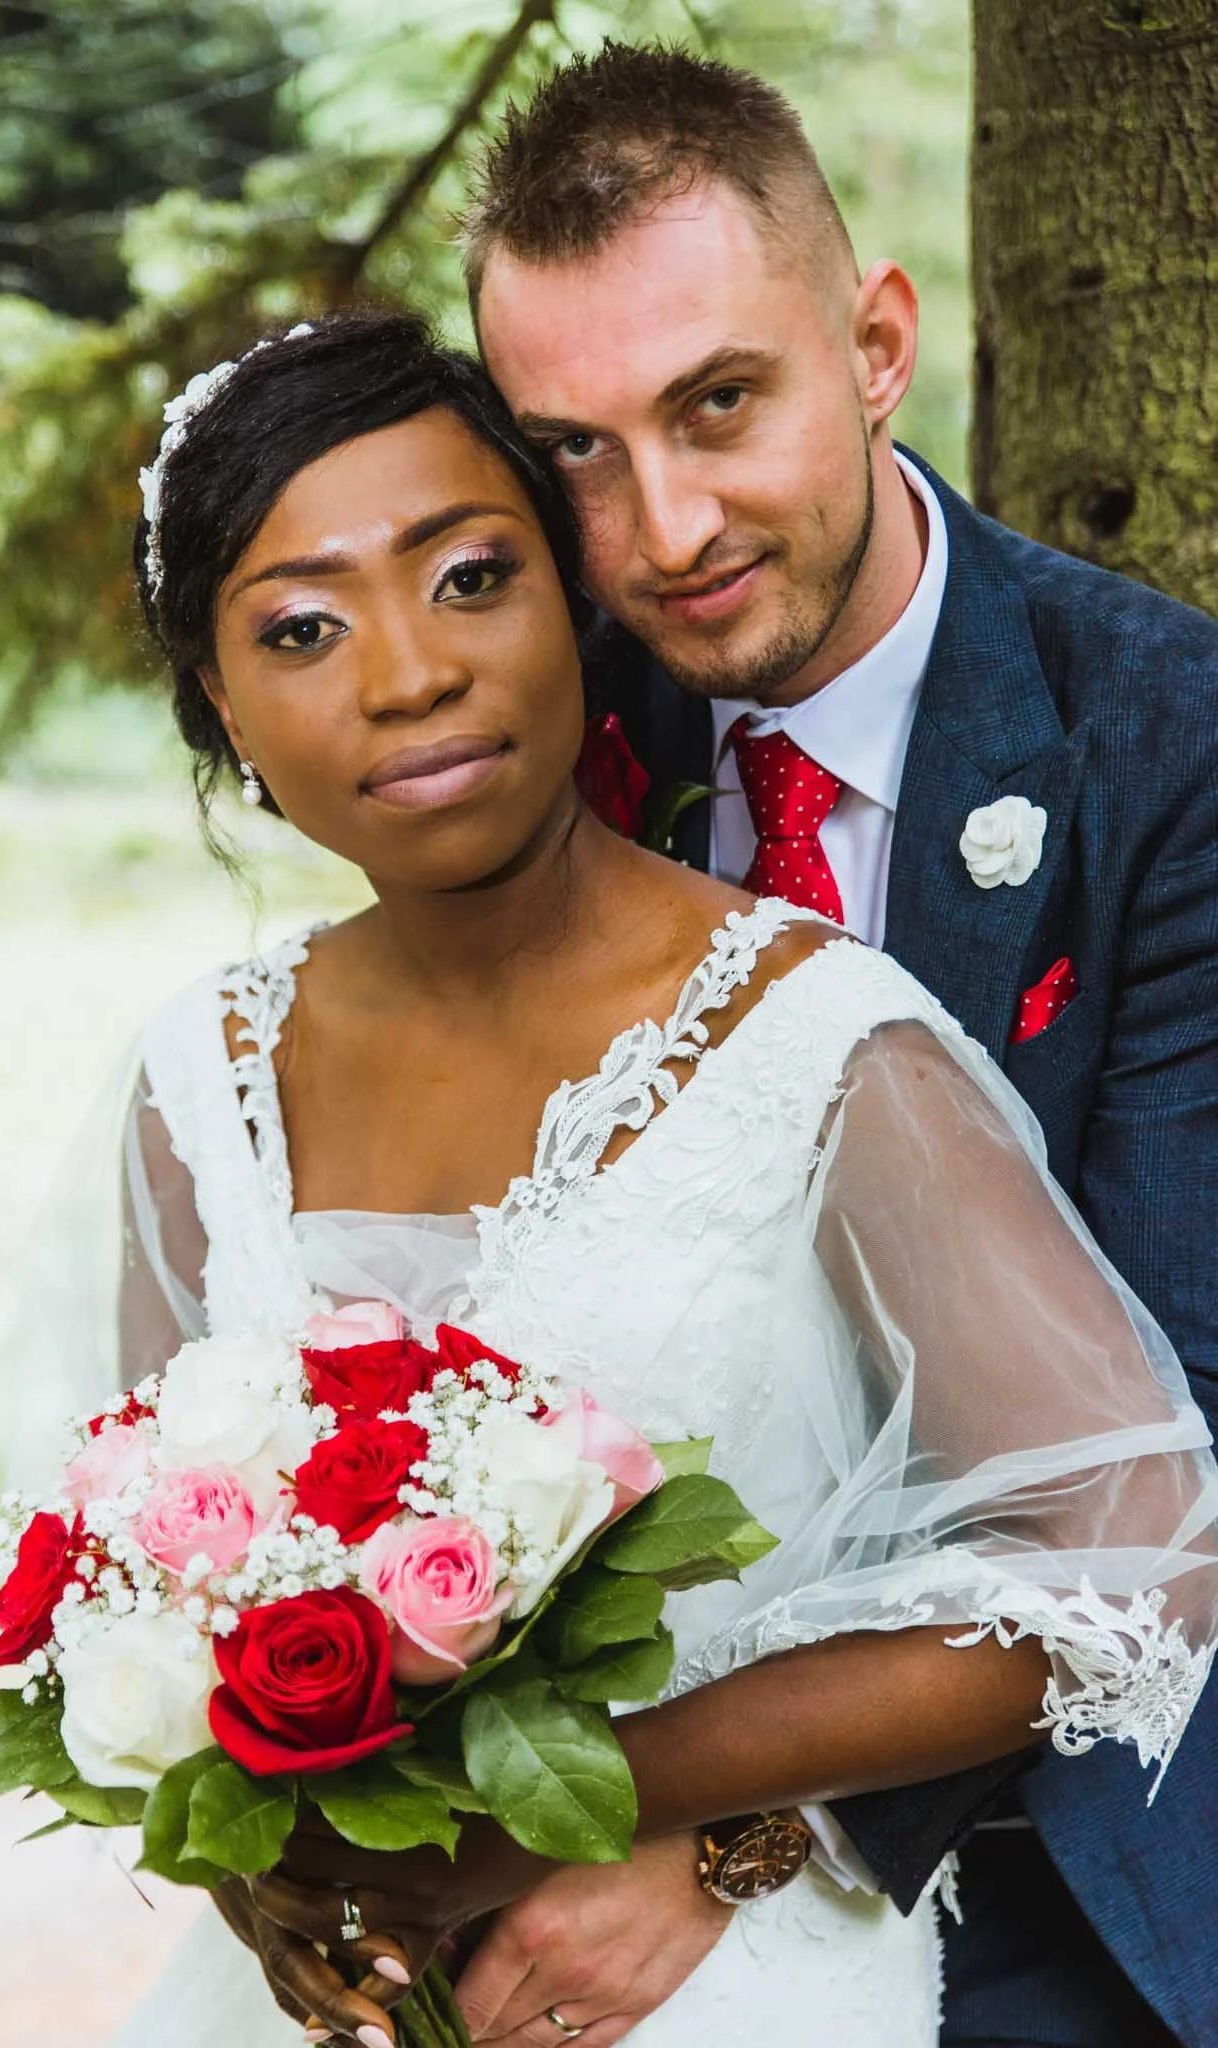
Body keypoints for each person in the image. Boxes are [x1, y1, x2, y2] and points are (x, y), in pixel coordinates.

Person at [103, 311, 1218, 2048]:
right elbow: (142, 1582)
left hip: (730, 1980)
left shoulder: (818, 1042)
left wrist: (597, 1796)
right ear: (220, 711)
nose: (408, 673)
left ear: (575, 604)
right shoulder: (202, 1079)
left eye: (470, 578)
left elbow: (1127, 1567)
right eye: (304, 629)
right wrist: (264, 1856)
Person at [439, 42, 1218, 2048]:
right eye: (575, 455)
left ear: (874, 343)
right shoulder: (532, 759)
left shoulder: (1165, 751)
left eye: (715, 403)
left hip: (1069, 1841)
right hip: (560, 1802)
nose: (662, 525)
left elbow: (1178, 1435)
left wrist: (727, 1837)